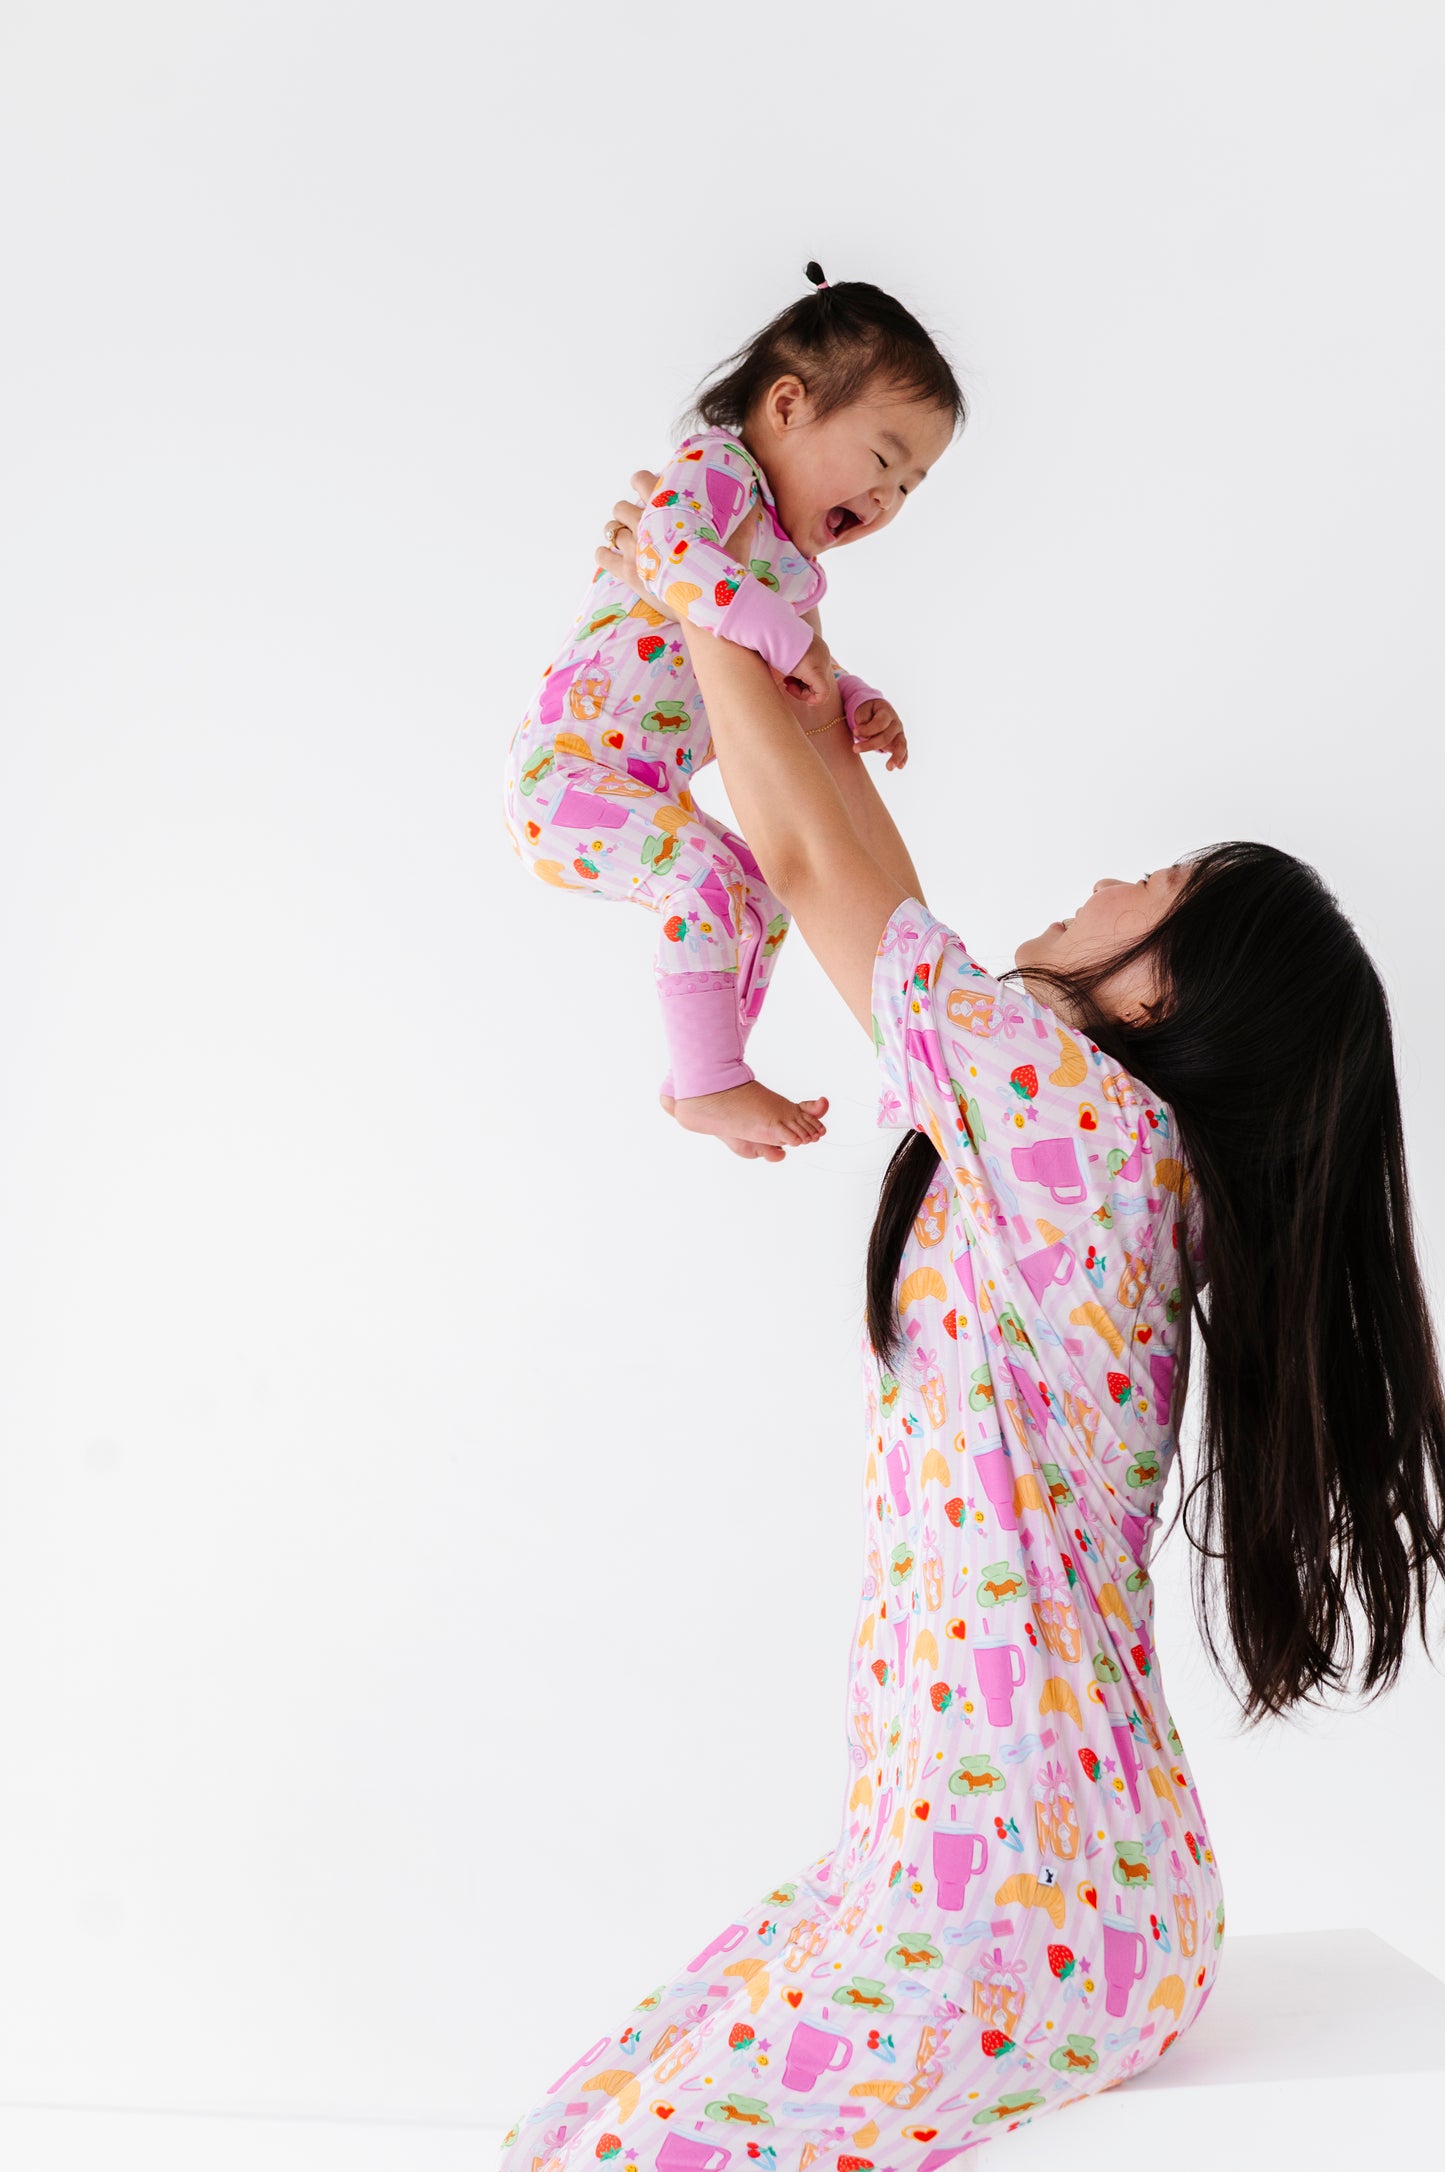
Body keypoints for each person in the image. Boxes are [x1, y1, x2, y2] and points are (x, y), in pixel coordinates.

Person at [495, 477, 1445, 2168]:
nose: (1104, 877)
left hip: (1014, 1899)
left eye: (1153, 883)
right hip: (967, 1864)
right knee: (572, 2122)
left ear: (1163, 991)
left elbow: (810, 873)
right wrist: (798, 701)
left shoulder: (1086, 1134)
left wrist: (694, 592)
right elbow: (873, 893)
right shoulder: (1086, 1145)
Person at [502, 264, 962, 1159]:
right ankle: (711, 1080)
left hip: (637, 784)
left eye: (909, 488)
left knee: (757, 891)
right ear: (786, 405)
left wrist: (851, 698)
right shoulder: (719, 470)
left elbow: (789, 672)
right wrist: (789, 640)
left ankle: (705, 1070)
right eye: (881, 461)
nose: (885, 500)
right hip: (564, 774)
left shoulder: (792, 575)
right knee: (708, 880)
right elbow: (670, 554)